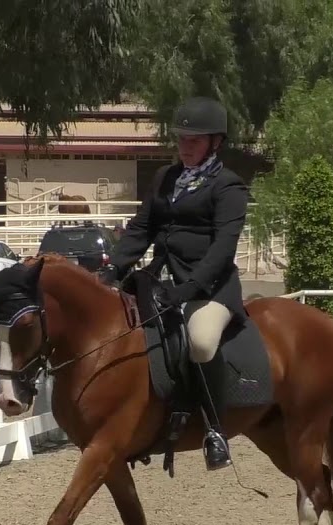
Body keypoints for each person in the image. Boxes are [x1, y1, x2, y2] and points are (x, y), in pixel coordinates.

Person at [100, 96, 249, 472]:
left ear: (215, 142)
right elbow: (142, 229)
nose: (185, 147)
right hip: (159, 278)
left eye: (193, 141)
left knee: (199, 341)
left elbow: (222, 249)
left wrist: (188, 289)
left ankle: (215, 430)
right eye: (181, 140)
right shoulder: (166, 179)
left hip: (209, 286)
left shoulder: (228, 187)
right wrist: (114, 268)